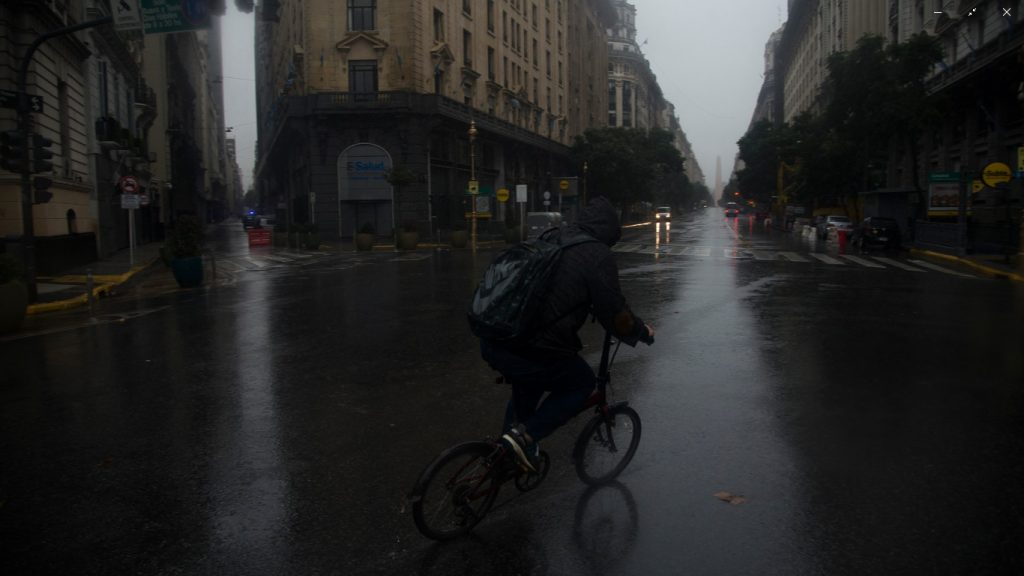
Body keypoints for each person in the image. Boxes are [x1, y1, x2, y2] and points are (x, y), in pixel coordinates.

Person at [480, 196, 655, 473]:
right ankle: (523, 438)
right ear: (610, 231)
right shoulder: (597, 254)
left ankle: (503, 456)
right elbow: (615, 312)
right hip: (532, 347)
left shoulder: (553, 235)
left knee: (530, 380)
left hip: (498, 337)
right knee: (580, 383)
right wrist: (641, 331)